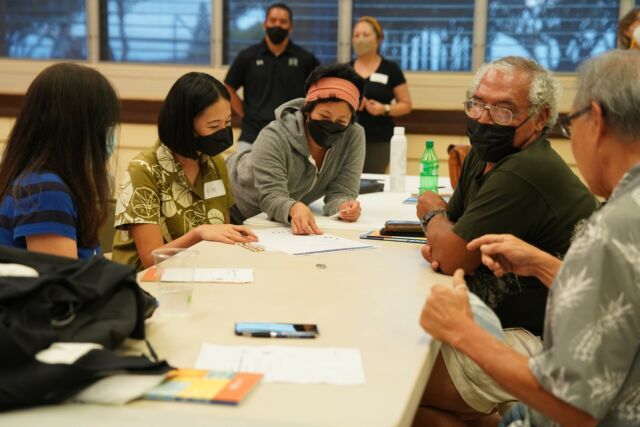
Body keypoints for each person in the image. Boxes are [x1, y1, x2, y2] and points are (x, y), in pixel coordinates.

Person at [420, 49, 640, 427]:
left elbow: (574, 407)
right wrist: (544, 265)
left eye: (571, 124)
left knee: (397, 382)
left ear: (596, 120)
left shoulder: (613, 227)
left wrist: (463, 332)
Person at [111, 73, 256, 270]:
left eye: (228, 122)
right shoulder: (144, 171)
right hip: (145, 280)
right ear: (185, 126)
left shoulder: (215, 163)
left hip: (201, 270)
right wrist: (198, 234)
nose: (223, 132)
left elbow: (223, 232)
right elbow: (150, 259)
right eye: (214, 125)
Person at [226, 63, 365, 234]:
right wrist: (293, 207)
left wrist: (344, 206)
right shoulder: (274, 136)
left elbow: (341, 191)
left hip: (270, 224)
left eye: (342, 121)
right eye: (324, 116)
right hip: (232, 203)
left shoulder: (353, 136)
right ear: (308, 110)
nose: (331, 124)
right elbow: (271, 196)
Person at [0, 63, 119, 259]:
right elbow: (64, 277)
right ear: (77, 129)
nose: (109, 133)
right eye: (105, 124)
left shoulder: (43, 182)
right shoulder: (45, 190)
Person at [224, 2, 320, 153]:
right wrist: (244, 114)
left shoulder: (305, 59)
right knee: (241, 169)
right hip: (252, 136)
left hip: (292, 137)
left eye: (283, 22)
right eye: (273, 20)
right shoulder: (247, 56)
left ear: (291, 27)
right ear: (265, 24)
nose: (277, 25)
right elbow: (228, 87)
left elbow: (319, 89)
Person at [351, 16, 412, 173]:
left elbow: (406, 105)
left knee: (373, 182)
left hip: (379, 139)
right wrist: (352, 102)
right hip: (348, 139)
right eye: (356, 35)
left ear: (378, 39)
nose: (360, 39)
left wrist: (384, 109)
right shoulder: (346, 70)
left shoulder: (390, 69)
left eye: (366, 35)